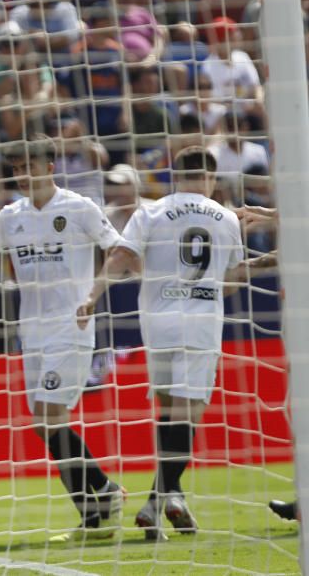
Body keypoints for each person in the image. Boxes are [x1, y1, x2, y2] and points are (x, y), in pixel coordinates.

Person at [0, 134, 126, 542]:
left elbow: (118, 251)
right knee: (45, 425)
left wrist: (93, 295)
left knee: (48, 415)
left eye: (28, 166)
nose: (22, 175)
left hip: (72, 327)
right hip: (31, 333)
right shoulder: (11, 215)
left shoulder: (80, 208)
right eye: (16, 169)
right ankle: (94, 515)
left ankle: (105, 490)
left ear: (49, 166)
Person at [80, 146, 246, 541]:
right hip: (200, 325)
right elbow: (234, 280)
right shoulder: (227, 217)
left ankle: (173, 498)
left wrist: (92, 295)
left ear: (176, 175)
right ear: (210, 177)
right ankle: (156, 502)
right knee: (188, 415)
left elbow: (122, 256)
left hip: (158, 324)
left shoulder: (151, 211)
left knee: (169, 412)